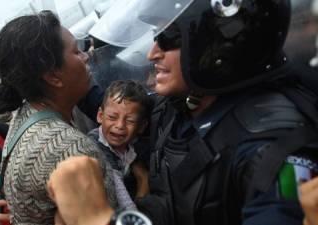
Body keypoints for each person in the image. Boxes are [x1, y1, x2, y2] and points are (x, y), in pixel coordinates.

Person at [55, 0, 318, 224]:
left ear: (219, 42)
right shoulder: (182, 105)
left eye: (168, 36)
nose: (151, 53)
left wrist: (99, 219)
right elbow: (111, 106)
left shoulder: (275, 148)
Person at [0, 10, 117, 225]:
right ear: (52, 76)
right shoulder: (70, 150)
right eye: (77, 52)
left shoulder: (26, 114)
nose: (86, 56)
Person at [88, 79, 150, 209]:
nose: (120, 126)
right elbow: (125, 203)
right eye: (112, 117)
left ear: (141, 126)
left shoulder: (136, 145)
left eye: (130, 121)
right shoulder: (96, 146)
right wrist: (144, 180)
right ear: (100, 115)